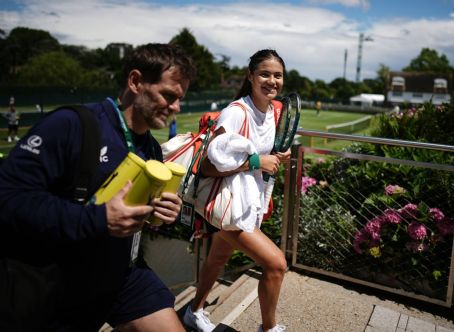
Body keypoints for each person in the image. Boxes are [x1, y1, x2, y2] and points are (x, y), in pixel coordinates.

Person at [0, 43, 195, 331]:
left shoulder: (152, 148)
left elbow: (137, 215)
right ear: (136, 81)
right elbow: (8, 199)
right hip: (60, 281)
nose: (176, 107)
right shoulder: (72, 125)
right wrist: (99, 218)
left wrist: (160, 213)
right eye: (168, 95)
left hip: (120, 274)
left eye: (180, 99)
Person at [183, 49, 289, 332]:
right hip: (229, 204)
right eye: (265, 74)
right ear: (251, 76)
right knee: (277, 264)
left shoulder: (271, 112)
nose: (272, 80)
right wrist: (256, 162)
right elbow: (206, 167)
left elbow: (262, 153)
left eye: (277, 75)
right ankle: (269, 328)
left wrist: (276, 157)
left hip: (245, 203)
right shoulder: (234, 113)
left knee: (218, 256)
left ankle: (193, 311)